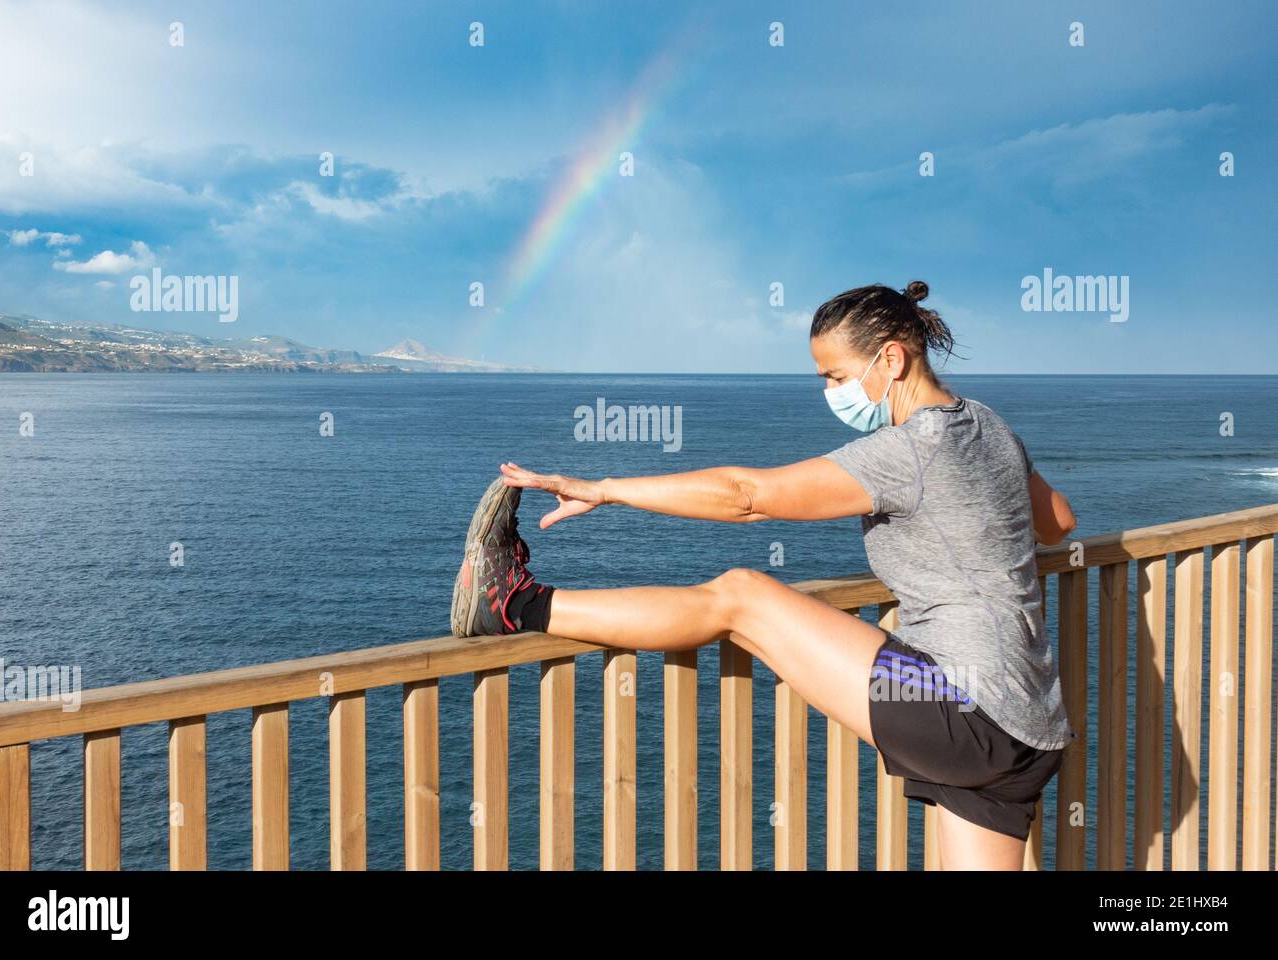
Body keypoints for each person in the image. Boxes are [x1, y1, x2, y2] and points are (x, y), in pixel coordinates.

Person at [449, 279, 1078, 870]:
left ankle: (515, 604)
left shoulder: (911, 448)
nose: (830, 392)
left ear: (890, 360)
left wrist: (603, 489)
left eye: (835, 376)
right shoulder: (989, 425)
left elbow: (749, 496)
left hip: (963, 709)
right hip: (1029, 726)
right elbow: (1059, 523)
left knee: (741, 598)